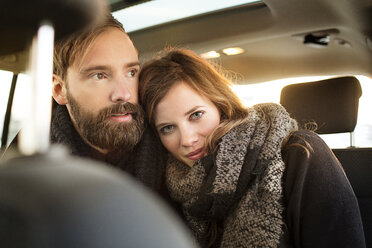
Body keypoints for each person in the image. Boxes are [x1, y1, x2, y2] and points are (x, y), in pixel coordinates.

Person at [138, 48, 366, 247]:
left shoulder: (300, 155)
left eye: (196, 115)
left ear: (221, 105)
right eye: (167, 128)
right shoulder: (167, 188)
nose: (187, 139)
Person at [50, 13, 167, 197]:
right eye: (99, 75)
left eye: (131, 72)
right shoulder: (26, 181)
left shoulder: (175, 148)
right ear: (59, 89)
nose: (124, 94)